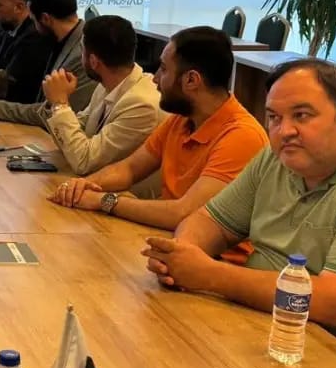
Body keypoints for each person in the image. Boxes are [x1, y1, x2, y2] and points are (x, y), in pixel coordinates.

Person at [145, 58, 336, 365]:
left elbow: (333, 302)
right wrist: (182, 257)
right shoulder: (277, 157)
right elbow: (210, 220)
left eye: (302, 115)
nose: (284, 131)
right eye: (274, 117)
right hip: (279, 336)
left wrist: (209, 275)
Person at [50, 27, 267, 233]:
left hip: (211, 254)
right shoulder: (182, 119)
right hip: (168, 237)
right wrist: (83, 186)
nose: (154, 78)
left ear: (191, 80)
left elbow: (183, 213)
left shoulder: (241, 136)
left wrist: (105, 200)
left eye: (163, 69)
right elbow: (129, 169)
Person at [0, 16, 160, 176]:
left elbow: (84, 161)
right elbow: (76, 134)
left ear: (93, 61)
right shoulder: (108, 85)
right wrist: (54, 104)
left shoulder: (140, 104)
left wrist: (60, 104)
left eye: (82, 50)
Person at [0, 0, 93, 115]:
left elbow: (54, 113)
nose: (33, 27)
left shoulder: (82, 55)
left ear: (45, 19)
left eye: (33, 20)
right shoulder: (62, 41)